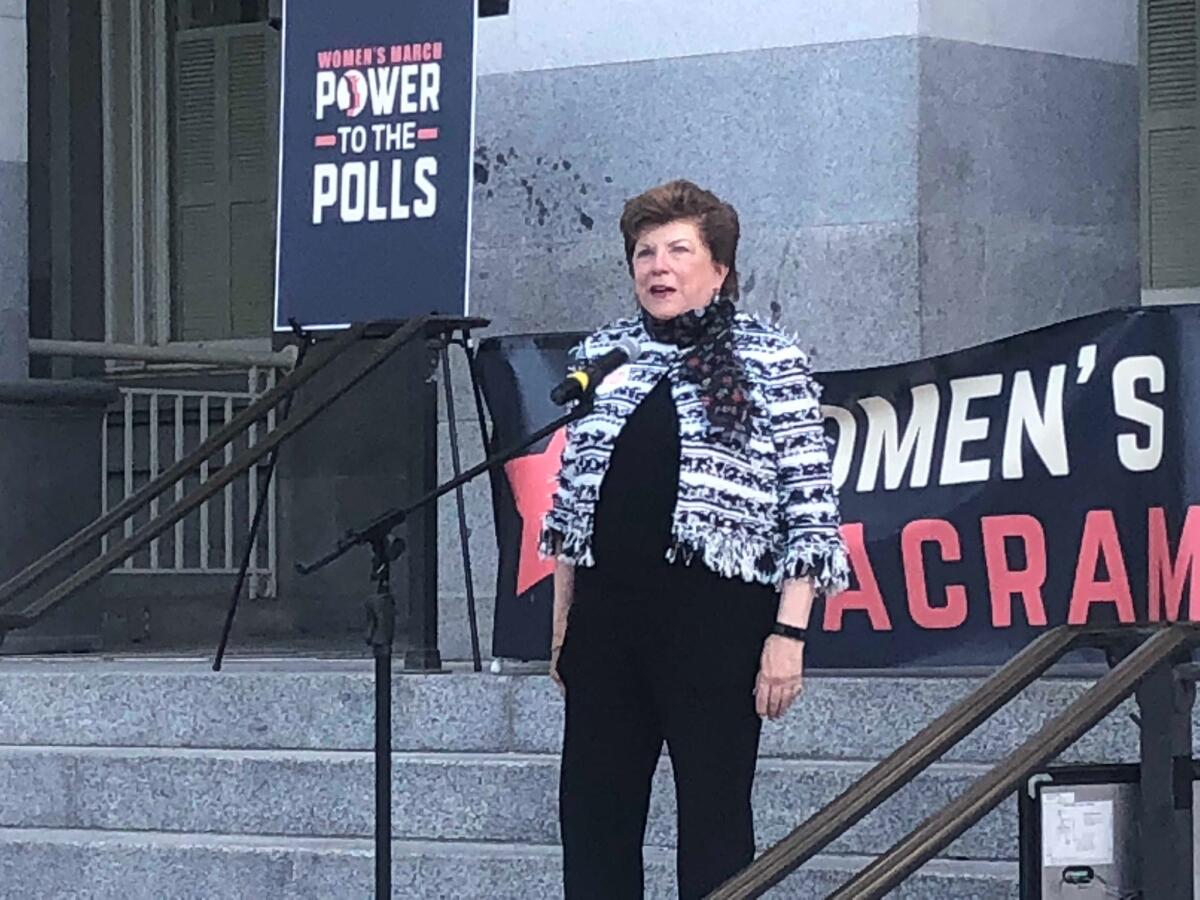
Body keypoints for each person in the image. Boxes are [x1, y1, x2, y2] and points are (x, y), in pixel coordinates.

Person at [539, 179, 850, 899]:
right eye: (645, 251)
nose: (658, 265)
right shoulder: (603, 358)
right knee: (593, 820)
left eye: (678, 249)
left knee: (713, 824)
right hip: (608, 619)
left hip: (716, 621)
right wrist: (563, 627)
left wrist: (788, 636)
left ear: (719, 266)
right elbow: (570, 509)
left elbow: (808, 509)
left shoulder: (769, 359)